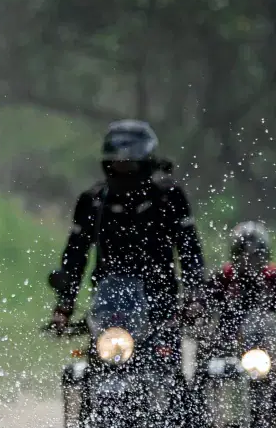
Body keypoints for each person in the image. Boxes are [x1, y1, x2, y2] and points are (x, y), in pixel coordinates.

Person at [45, 120, 205, 363]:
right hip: (109, 307)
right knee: (81, 372)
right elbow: (75, 255)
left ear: (145, 162)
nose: (122, 167)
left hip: (160, 307)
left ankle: (180, 399)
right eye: (116, 162)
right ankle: (83, 399)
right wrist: (64, 305)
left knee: (173, 379)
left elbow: (189, 249)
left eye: (129, 163)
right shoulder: (94, 201)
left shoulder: (168, 196)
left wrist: (194, 296)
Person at [202, 222, 276, 369]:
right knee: (205, 372)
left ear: (265, 255)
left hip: (267, 349)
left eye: (256, 255)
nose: (249, 261)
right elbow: (203, 306)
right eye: (243, 255)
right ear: (235, 255)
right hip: (227, 349)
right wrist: (203, 330)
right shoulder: (223, 278)